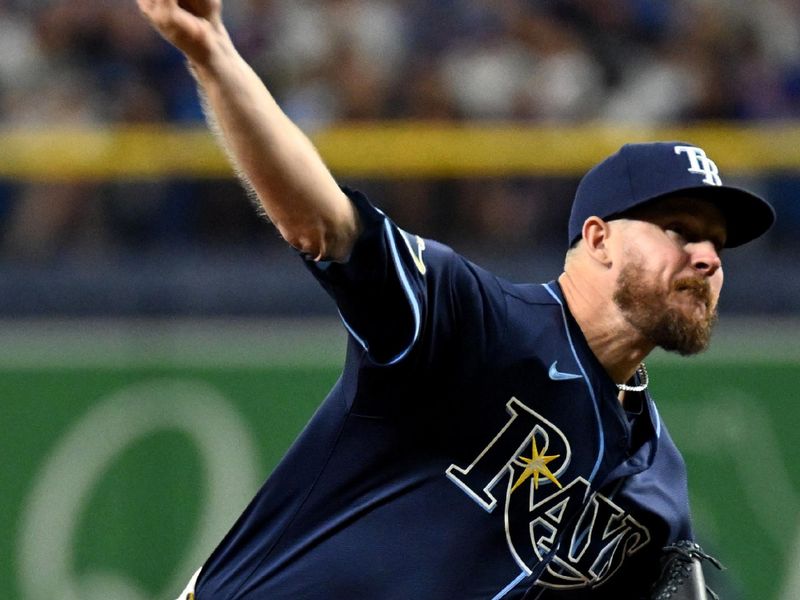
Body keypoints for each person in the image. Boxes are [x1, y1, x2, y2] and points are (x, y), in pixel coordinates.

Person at [136, 1, 775, 599]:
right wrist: (214, 54)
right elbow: (324, 224)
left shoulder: (659, 484)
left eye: (718, 245)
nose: (708, 257)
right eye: (680, 231)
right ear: (599, 239)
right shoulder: (475, 322)